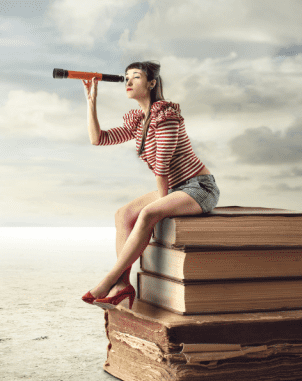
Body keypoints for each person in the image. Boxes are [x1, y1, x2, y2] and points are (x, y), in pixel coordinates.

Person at [81, 61, 220, 309]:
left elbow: (162, 166)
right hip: (176, 188)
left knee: (147, 214)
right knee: (122, 214)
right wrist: (91, 101)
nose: (129, 82)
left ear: (152, 83)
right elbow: (98, 139)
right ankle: (122, 286)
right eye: (126, 78)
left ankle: (108, 281)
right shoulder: (138, 120)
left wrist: (160, 205)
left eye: (135, 77)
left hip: (199, 187)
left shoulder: (165, 116)